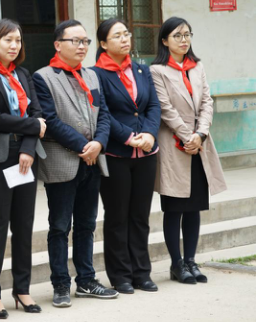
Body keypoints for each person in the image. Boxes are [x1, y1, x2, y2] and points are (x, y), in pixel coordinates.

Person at [32, 19, 118, 308]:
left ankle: (86, 280)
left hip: (93, 161)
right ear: (58, 45)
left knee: (86, 224)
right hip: (63, 161)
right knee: (59, 226)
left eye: (85, 41)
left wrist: (99, 143)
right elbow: (50, 120)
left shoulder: (91, 75)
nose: (82, 46)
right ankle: (60, 284)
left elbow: (103, 114)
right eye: (76, 41)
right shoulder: (43, 77)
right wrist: (84, 146)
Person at [0, 19, 46, 318]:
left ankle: (22, 289)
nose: (14, 46)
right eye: (8, 40)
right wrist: (33, 126)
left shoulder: (23, 74)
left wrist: (28, 148)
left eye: (18, 40)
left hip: (25, 155)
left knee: (24, 224)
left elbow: (37, 112)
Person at [150, 17, 227, 284]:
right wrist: (187, 136)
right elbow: (165, 108)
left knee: (193, 207)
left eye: (187, 35)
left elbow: (207, 101)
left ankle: (191, 261)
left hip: (199, 144)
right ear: (164, 41)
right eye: (177, 35)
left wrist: (200, 134)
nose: (184, 40)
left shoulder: (197, 66)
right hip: (174, 146)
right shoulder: (157, 71)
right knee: (174, 208)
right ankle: (176, 264)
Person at [91, 18, 161, 294]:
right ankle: (120, 275)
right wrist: (128, 137)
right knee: (117, 216)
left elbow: (152, 105)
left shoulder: (142, 70)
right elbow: (102, 112)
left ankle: (142, 273)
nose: (124, 39)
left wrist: (150, 134)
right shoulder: (96, 74)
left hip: (146, 153)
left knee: (140, 216)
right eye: (117, 35)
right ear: (103, 43)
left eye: (126, 34)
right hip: (116, 153)